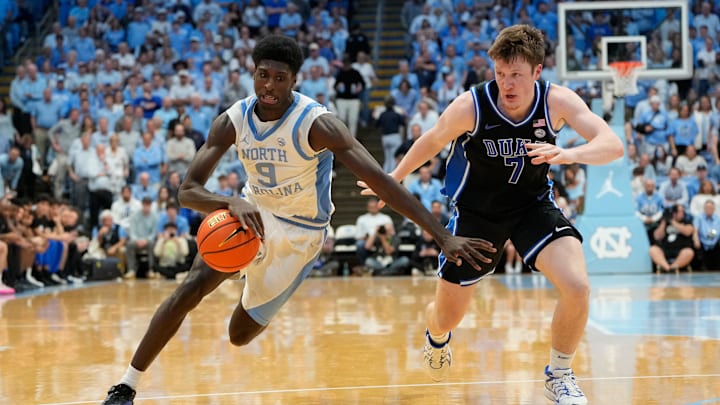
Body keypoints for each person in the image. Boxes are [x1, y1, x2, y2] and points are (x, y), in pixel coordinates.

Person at [102, 35, 493, 405]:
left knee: (238, 336)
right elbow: (187, 191)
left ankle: (257, 278)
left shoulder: (317, 124)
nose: (269, 86)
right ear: (253, 73)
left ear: (295, 80)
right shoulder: (232, 120)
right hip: (251, 213)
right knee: (190, 288)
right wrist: (228, 202)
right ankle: (126, 385)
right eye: (263, 75)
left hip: (301, 233)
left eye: (280, 78)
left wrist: (442, 236)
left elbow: (380, 182)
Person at [360, 25, 623, 404]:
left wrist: (569, 154)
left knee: (578, 286)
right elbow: (433, 139)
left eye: (516, 74)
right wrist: (392, 180)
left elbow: (612, 145)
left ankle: (559, 375)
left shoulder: (557, 102)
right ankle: (435, 337)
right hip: (476, 216)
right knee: (447, 318)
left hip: (532, 206)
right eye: (500, 74)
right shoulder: (472, 105)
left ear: (536, 71)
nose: (507, 84)